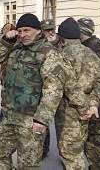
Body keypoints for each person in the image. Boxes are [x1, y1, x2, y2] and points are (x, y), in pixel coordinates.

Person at [0, 13, 64, 169]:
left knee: (27, 165)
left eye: (27, 30)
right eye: (20, 31)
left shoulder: (48, 53)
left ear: (38, 31)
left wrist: (42, 119)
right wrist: (6, 41)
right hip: (10, 116)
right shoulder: (16, 47)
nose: (23, 35)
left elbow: (53, 88)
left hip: (30, 121)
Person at [55, 18, 100, 170]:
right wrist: (93, 104)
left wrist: (84, 107)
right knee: (81, 147)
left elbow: (68, 86)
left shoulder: (60, 56)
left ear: (61, 38)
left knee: (71, 156)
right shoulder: (91, 54)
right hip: (89, 111)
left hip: (69, 114)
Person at [77, 17, 100, 170]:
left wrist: (94, 103)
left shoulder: (95, 49)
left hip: (93, 102)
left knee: (94, 137)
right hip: (89, 100)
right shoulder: (86, 45)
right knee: (89, 136)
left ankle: (98, 166)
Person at [39, 19, 59, 158]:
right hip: (41, 87)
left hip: (57, 87)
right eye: (47, 30)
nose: (50, 32)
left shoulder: (61, 43)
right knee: (43, 120)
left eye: (52, 29)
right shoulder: (40, 45)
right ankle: (44, 148)